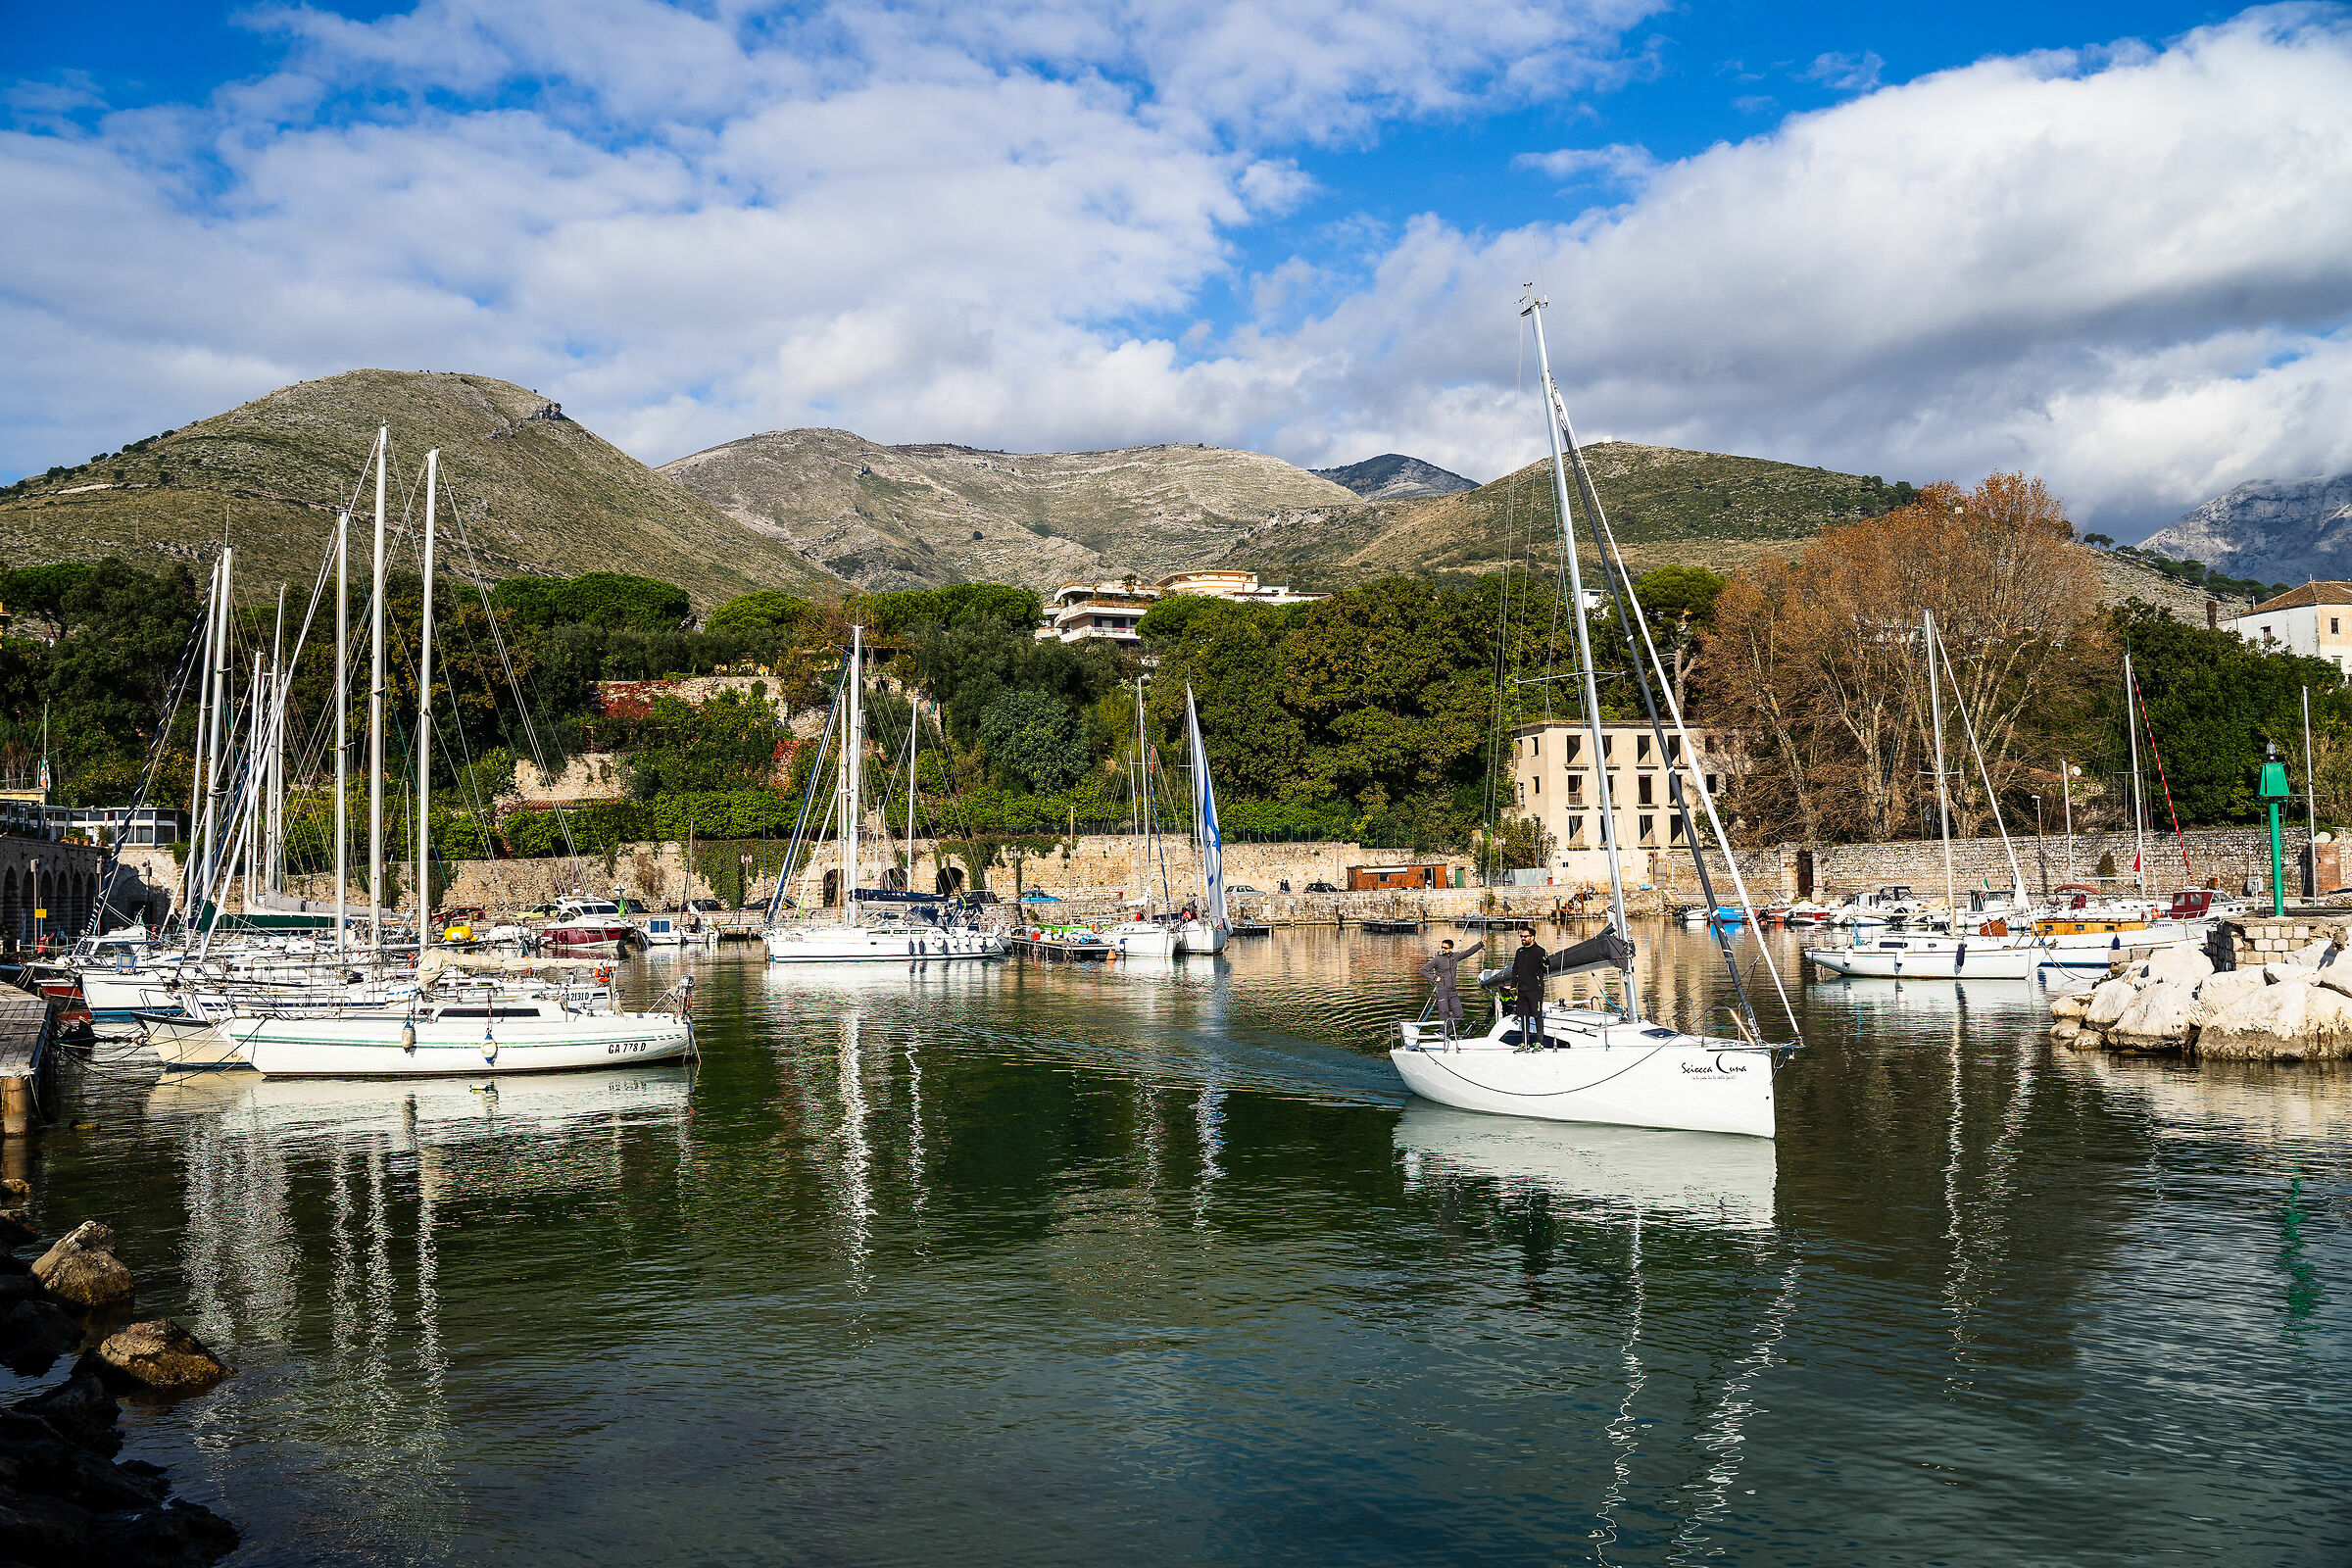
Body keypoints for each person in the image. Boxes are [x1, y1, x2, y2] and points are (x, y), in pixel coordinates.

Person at [1417, 938, 1483, 1037]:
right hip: (1442, 990)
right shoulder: (1437, 959)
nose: (1443, 949)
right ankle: (1442, 1032)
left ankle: (1445, 1031)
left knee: (1459, 1014)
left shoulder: (1455, 957)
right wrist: (1434, 978)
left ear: (1450, 948)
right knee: (1444, 1012)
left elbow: (1468, 952)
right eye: (1442, 947)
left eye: (1445, 948)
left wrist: (1481, 943)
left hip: (1453, 991)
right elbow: (1423, 970)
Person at [1509, 927, 1548, 1047]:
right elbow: (1515, 970)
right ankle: (1524, 1041)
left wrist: (1546, 962)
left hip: (1535, 989)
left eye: (1525, 936)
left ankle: (1539, 1042)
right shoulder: (1519, 952)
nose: (1523, 938)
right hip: (1522, 989)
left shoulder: (1540, 951)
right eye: (1521, 936)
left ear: (1532, 937)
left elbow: (1547, 970)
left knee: (1537, 1015)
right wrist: (1513, 987)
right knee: (1524, 1016)